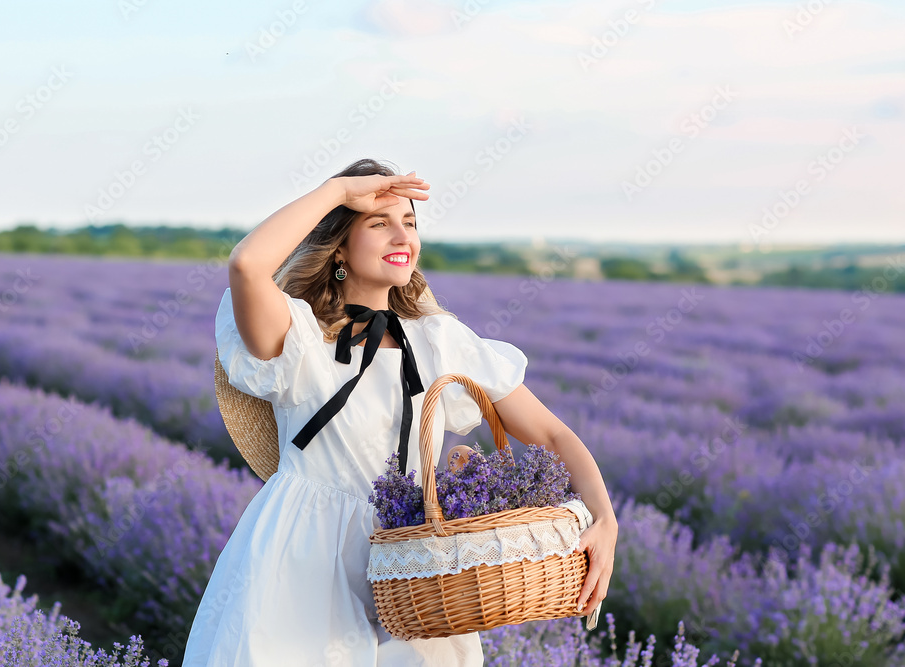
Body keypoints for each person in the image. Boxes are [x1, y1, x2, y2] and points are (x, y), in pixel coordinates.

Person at [182, 158, 619, 666]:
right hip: (302, 554)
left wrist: (605, 519)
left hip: (416, 563)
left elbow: (550, 433)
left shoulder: (438, 340)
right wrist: (339, 190)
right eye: (378, 223)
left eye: (410, 223)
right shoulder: (299, 337)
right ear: (339, 246)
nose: (401, 237)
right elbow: (247, 265)